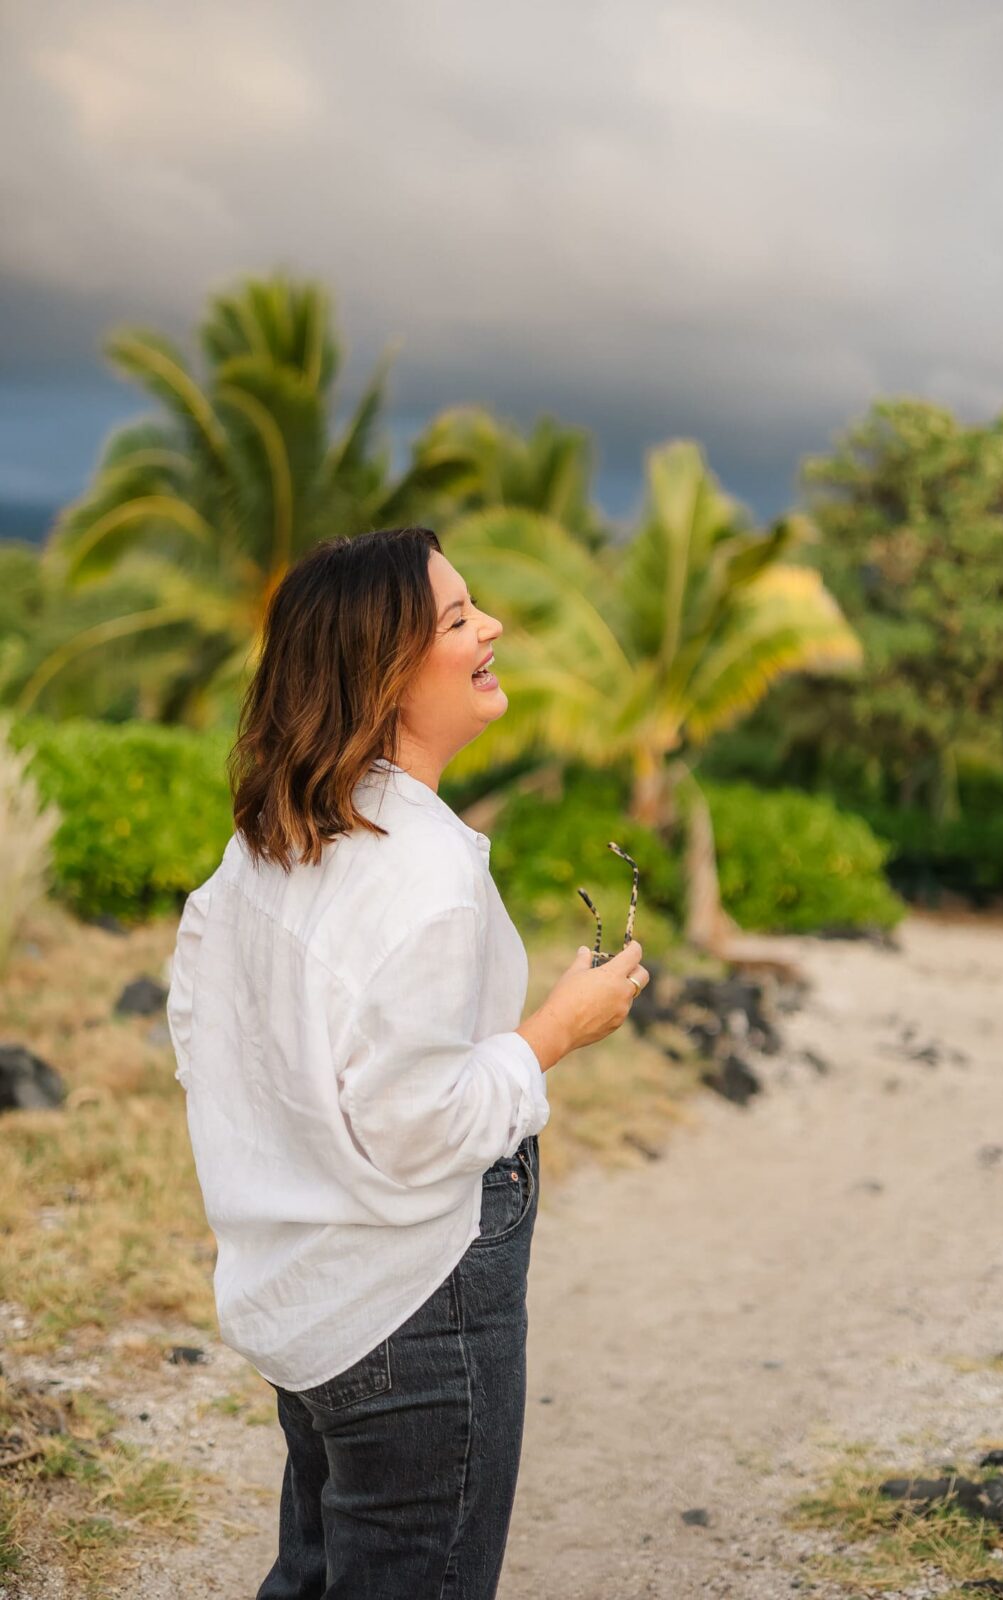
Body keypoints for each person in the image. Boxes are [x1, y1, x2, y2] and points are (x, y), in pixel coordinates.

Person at [166, 526, 648, 1599]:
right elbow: (416, 1124)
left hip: (310, 1290)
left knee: (317, 1571)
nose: (493, 630)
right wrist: (556, 1031)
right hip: (410, 1297)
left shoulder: (271, 838)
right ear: (382, 671)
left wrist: (299, 1151)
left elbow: (201, 1022)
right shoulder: (420, 866)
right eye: (457, 619)